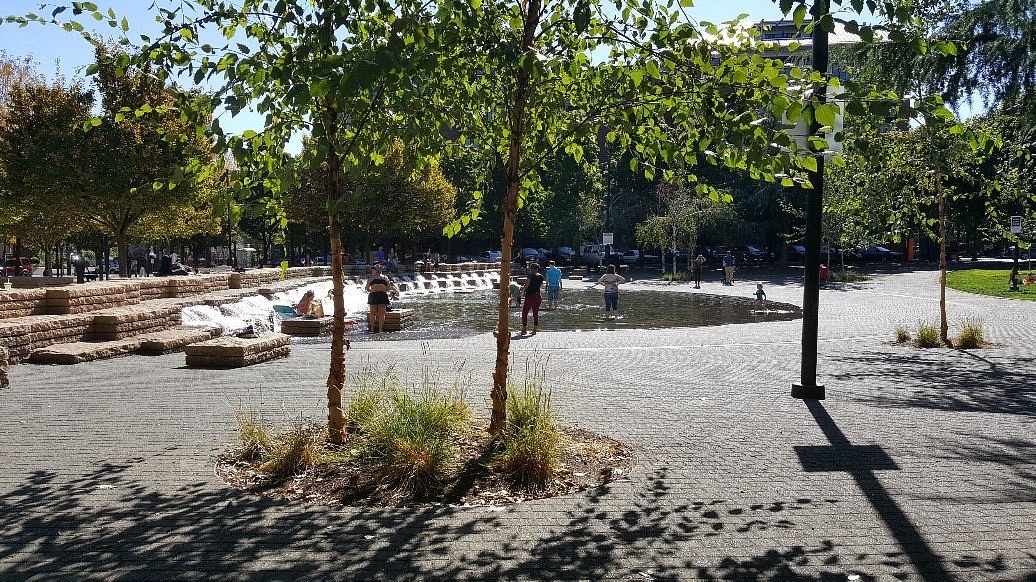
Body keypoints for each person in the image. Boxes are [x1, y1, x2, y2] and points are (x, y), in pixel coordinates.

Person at [365, 265, 397, 333]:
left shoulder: (371, 278)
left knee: (372, 313)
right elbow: (388, 288)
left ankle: (372, 329)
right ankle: (380, 329)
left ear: (376, 270)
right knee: (381, 314)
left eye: (373, 269)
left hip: (373, 295)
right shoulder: (385, 278)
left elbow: (366, 288)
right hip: (382, 295)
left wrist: (372, 290)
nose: (372, 271)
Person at [519, 263, 544, 335]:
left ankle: (524, 330)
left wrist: (521, 292)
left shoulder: (530, 276)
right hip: (538, 296)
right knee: (535, 313)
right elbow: (540, 286)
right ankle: (534, 330)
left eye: (530, 268)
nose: (530, 270)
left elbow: (526, 286)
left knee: (525, 313)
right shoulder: (541, 276)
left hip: (530, 296)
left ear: (532, 269)